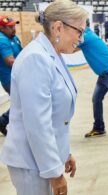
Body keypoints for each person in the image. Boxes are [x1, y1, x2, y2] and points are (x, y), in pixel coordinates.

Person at [0, 1, 88, 195]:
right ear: (58, 27)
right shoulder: (36, 58)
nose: (81, 39)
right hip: (31, 164)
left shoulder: (52, 55)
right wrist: (54, 174)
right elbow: (38, 124)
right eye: (79, 32)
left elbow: (56, 118)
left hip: (41, 159)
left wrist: (64, 153)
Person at [0, 16, 22, 136]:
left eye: (14, 26)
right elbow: (10, 61)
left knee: (21, 103)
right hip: (9, 79)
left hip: (17, 77)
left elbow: (22, 53)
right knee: (23, 104)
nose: (14, 29)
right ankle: (2, 121)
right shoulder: (2, 40)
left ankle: (2, 121)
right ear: (2, 28)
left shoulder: (13, 37)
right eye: (10, 27)